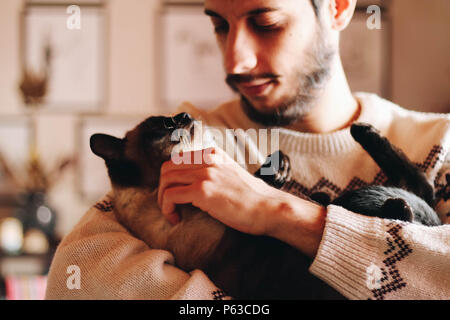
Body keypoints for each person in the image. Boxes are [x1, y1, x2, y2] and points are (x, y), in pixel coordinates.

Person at [45, 0, 450, 300]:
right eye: (220, 26)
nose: (235, 61)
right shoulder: (186, 143)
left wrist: (278, 212)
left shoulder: (438, 146)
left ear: (338, 8)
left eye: (265, 23)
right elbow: (74, 277)